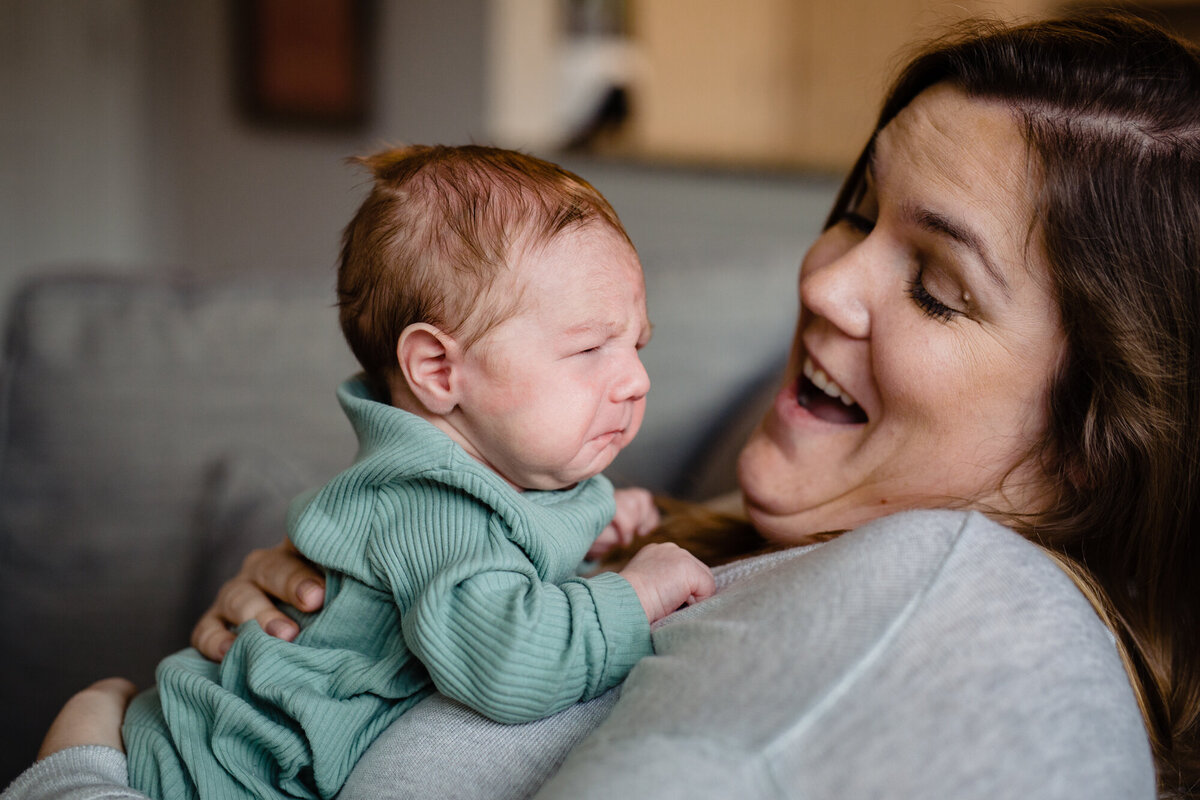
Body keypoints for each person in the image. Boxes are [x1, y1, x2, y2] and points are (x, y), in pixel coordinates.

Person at [4, 9, 1199, 800]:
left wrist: (82, 753)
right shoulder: (753, 524)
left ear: (1098, 441)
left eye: (936, 287)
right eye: (854, 208)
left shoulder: (941, 616)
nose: (824, 278)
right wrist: (306, 599)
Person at [116, 146, 716, 800]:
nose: (636, 380)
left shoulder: (477, 481)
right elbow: (508, 660)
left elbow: (506, 547)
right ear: (437, 371)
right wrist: (635, 594)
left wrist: (592, 522)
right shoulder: (430, 505)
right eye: (590, 348)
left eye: (637, 344)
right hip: (205, 776)